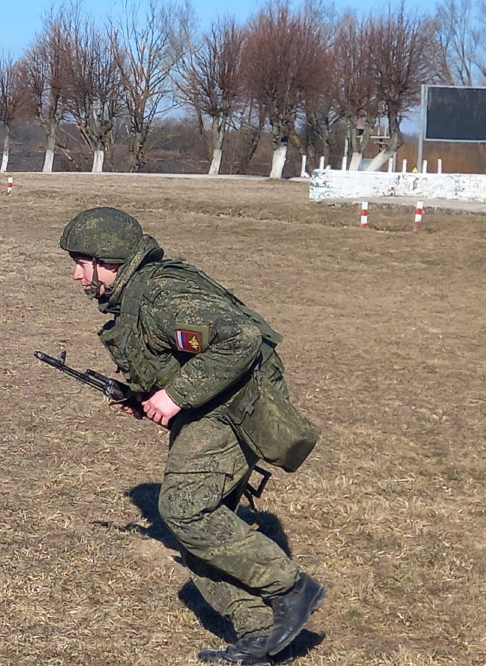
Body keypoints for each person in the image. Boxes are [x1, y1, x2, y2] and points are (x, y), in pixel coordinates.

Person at [58, 207, 325, 665]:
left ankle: (290, 588)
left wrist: (176, 396)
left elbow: (240, 338)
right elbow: (179, 355)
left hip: (230, 408)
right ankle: (259, 632)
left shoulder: (162, 295)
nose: (76, 276)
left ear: (110, 260)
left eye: (82, 264)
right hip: (210, 404)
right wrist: (144, 395)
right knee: (202, 518)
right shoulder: (137, 296)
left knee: (185, 508)